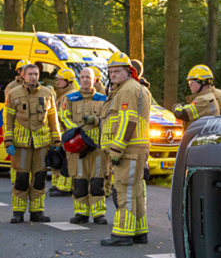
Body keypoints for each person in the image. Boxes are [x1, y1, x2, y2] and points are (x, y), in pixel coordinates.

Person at [100, 52, 150, 246]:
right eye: (110, 72)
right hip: (136, 147)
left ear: (128, 71)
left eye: (117, 71)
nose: (113, 75)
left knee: (124, 189)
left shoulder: (127, 89)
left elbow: (128, 121)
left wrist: (117, 148)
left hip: (128, 149)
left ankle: (123, 234)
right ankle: (139, 231)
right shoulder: (131, 87)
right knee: (136, 190)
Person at [3, 61, 61, 223]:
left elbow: (53, 118)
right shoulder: (13, 93)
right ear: (23, 75)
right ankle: (18, 212)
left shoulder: (47, 93)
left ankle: (37, 211)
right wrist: (8, 141)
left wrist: (57, 140)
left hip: (42, 143)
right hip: (21, 144)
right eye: (30, 74)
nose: (34, 77)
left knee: (40, 178)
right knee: (21, 179)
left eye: (36, 74)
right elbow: (7, 119)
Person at [60, 67, 109, 225]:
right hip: (78, 146)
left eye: (89, 77)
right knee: (79, 181)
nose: (86, 80)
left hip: (98, 147)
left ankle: (98, 213)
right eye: (83, 77)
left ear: (95, 79)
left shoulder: (103, 99)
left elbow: (109, 120)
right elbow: (63, 116)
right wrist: (75, 130)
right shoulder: (70, 98)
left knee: (97, 181)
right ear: (79, 79)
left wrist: (95, 121)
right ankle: (80, 212)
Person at [49, 67, 77, 198]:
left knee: (66, 161)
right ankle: (59, 185)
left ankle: (65, 187)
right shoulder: (62, 94)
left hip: (65, 133)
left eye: (60, 80)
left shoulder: (69, 96)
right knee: (57, 161)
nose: (58, 83)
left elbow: (62, 116)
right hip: (60, 133)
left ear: (69, 82)